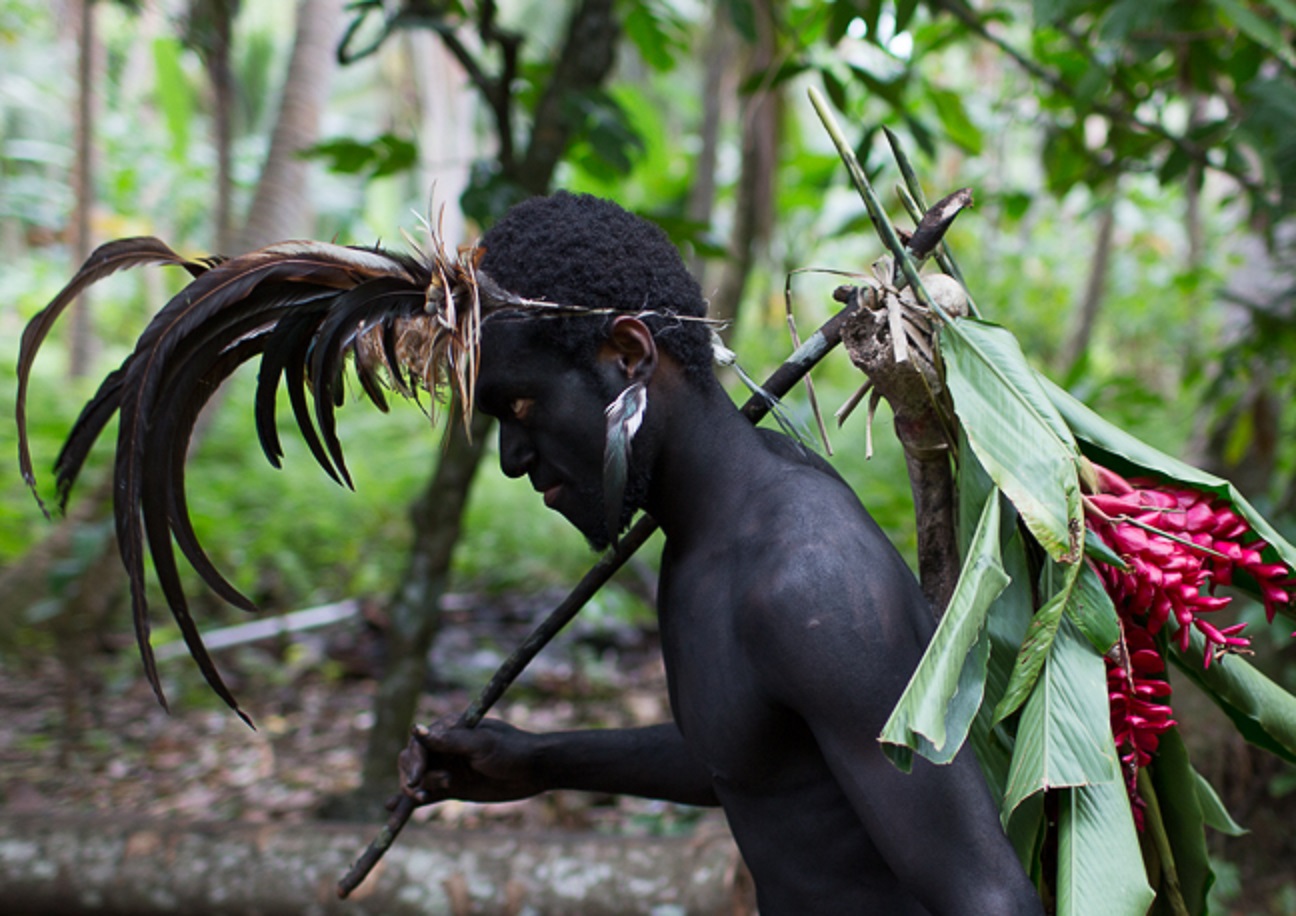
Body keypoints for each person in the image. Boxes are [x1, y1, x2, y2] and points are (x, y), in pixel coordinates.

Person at [399, 191, 1042, 914]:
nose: (513, 458)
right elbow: (754, 755)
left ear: (630, 354)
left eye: (522, 407)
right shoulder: (705, 532)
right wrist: (542, 760)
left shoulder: (804, 576)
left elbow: (992, 900)